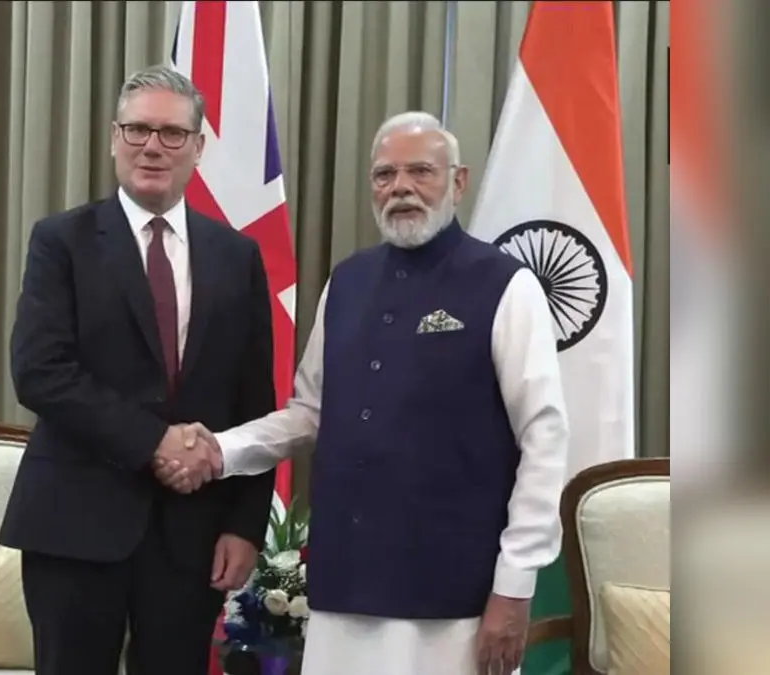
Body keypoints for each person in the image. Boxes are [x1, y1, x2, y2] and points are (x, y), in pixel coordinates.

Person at [156, 111, 570, 675]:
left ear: (458, 181)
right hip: (344, 583)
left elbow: (544, 439)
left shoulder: (506, 285)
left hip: (454, 592)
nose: (400, 187)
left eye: (420, 171)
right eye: (384, 175)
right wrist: (220, 450)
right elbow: (309, 413)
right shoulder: (346, 283)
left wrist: (516, 585)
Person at [0, 64, 279, 675]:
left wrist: (245, 526)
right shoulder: (61, 241)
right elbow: (40, 371)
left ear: (199, 148)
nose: (153, 145)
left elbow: (255, 401)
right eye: (138, 130)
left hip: (193, 538)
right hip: (74, 525)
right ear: (114, 139)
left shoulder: (238, 256)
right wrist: (153, 442)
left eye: (173, 133)